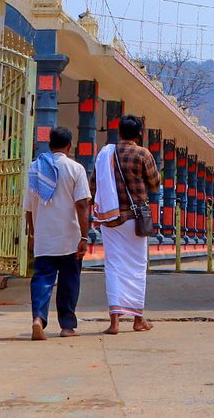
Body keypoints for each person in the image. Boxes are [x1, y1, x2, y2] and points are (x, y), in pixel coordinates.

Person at [93, 115, 161, 334]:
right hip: (135, 219)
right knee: (137, 267)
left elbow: (94, 183)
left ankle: (114, 322)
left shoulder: (105, 154)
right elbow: (154, 184)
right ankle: (137, 319)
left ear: (119, 132)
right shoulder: (143, 154)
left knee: (113, 266)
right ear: (139, 134)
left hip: (110, 219)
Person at [26, 126, 91, 341]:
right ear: (69, 145)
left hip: (44, 237)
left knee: (42, 279)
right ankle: (67, 326)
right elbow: (82, 204)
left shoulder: (35, 168)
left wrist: (33, 235)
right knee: (69, 281)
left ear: (49, 144)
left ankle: (38, 318)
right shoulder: (76, 169)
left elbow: (28, 208)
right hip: (69, 237)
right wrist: (84, 236)